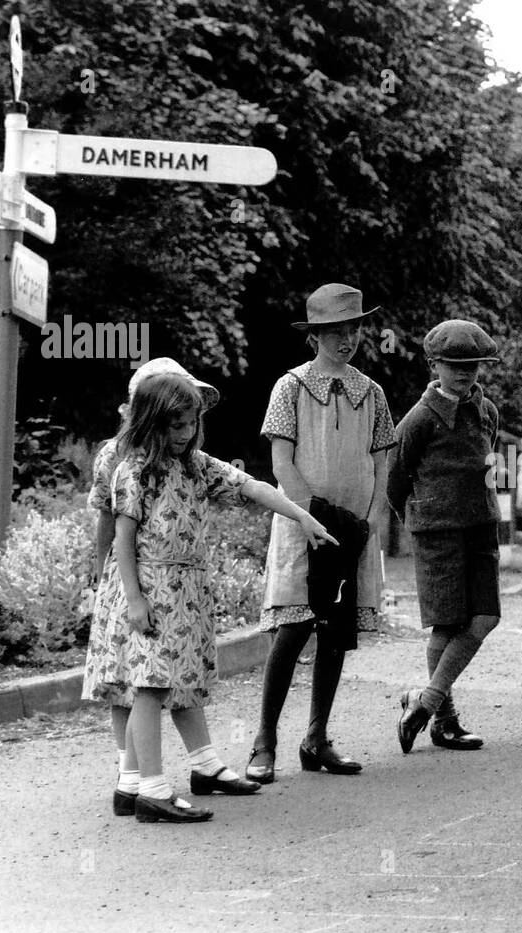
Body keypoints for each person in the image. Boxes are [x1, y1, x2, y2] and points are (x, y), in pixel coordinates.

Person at [83, 373, 335, 822]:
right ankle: (151, 791)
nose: (183, 435)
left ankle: (140, 786)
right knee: (150, 685)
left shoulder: (196, 465)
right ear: (149, 422)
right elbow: (123, 539)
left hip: (186, 590)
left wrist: (301, 516)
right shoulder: (134, 470)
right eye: (174, 426)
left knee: (171, 683)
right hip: (151, 587)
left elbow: (250, 486)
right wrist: (135, 598)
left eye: (190, 425)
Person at [84, 357, 261, 814]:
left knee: (166, 673)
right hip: (131, 576)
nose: (183, 427)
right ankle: (134, 781)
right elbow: (110, 518)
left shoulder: (185, 459)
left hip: (168, 578)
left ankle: (197, 765)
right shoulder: (119, 456)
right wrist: (106, 580)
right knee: (132, 679)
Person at [247, 284, 396, 784]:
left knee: (335, 631)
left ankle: (316, 736)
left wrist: (371, 522)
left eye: (353, 328)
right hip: (301, 523)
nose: (346, 339)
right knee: (292, 628)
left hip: (353, 527)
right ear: (315, 336)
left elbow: (382, 464)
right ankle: (264, 740)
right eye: (335, 330)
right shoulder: (290, 387)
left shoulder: (371, 392)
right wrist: (308, 515)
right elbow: (281, 462)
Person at [386, 320, 502, 753]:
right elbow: (396, 479)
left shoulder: (486, 411)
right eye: (454, 365)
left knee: (485, 618)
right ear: (434, 364)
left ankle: (424, 701)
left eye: (472, 365)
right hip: (437, 534)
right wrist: (420, 519)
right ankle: (445, 721)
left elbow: (484, 457)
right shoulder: (419, 419)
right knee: (447, 623)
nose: (464, 373)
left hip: (480, 526)